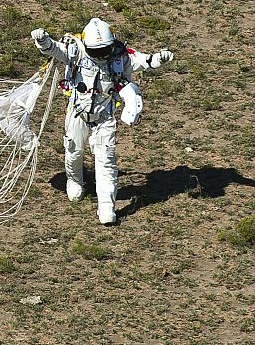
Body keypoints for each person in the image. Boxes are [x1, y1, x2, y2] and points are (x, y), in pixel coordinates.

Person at [31, 17, 174, 224]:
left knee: (106, 161)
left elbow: (144, 61)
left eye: (104, 50)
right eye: (95, 51)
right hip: (78, 112)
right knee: (73, 150)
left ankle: (107, 207)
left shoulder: (120, 56)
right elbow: (54, 49)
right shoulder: (76, 50)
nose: (100, 55)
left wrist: (160, 58)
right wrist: (43, 40)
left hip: (104, 116)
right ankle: (75, 180)